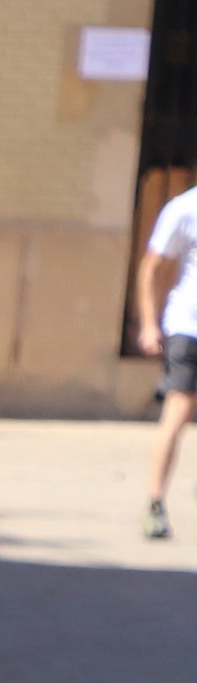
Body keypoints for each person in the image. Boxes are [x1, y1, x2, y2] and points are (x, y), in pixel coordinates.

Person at [138, 176, 197, 539]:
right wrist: (148, 324)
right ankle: (156, 502)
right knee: (178, 408)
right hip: (188, 325)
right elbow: (151, 268)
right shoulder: (184, 208)